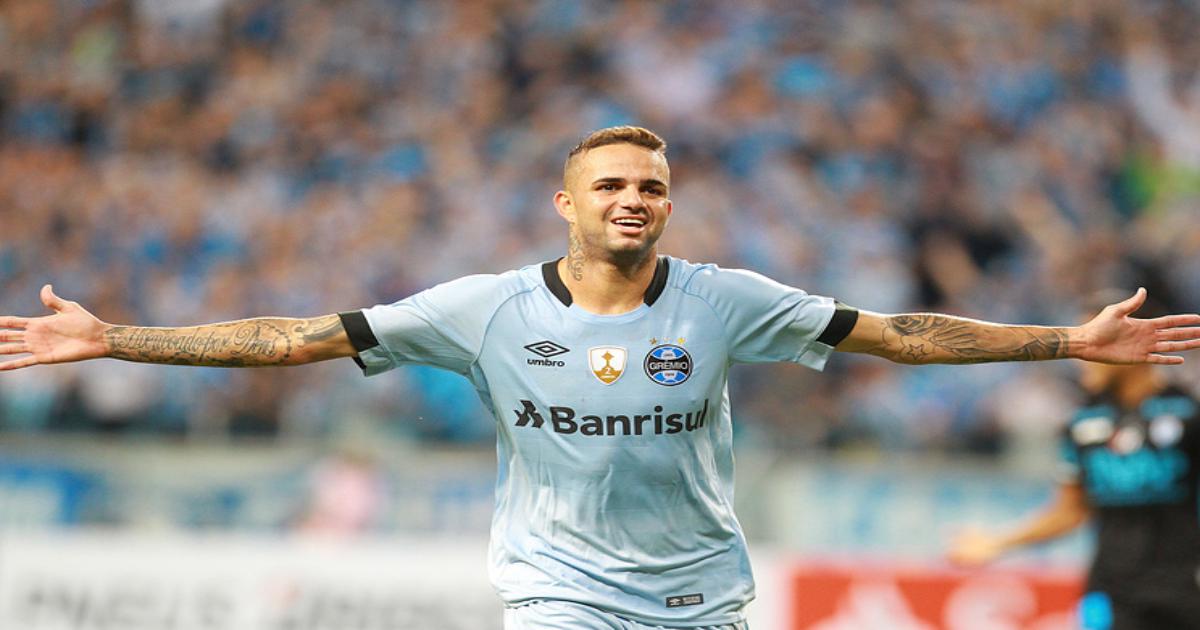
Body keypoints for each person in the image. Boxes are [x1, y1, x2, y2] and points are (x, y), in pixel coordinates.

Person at [2, 126, 1199, 630]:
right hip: (558, 592)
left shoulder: (727, 299)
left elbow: (901, 335)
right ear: (565, 202)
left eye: (652, 187)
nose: (634, 199)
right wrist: (118, 340)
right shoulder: (483, 309)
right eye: (612, 184)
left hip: (704, 595)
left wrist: (1066, 341)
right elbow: (293, 337)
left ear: (669, 206)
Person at [947, 294, 1200, 630]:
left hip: (1185, 588)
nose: (1083, 357)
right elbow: (1070, 510)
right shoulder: (1084, 423)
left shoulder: (1189, 414)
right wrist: (998, 543)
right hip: (1112, 589)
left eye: (1098, 340)